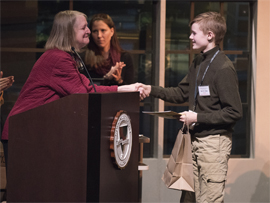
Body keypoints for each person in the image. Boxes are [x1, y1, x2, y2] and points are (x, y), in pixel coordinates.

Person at [1, 10, 141, 176]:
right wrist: (123, 89)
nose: (89, 31)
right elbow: (83, 93)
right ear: (68, 32)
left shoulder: (64, 57)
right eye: (84, 28)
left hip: (33, 133)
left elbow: (88, 87)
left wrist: (125, 88)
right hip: (25, 133)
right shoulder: (58, 59)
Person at [139, 12, 242, 203]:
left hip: (214, 144)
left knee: (208, 200)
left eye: (194, 33)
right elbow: (181, 93)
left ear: (210, 35)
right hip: (193, 141)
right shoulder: (198, 62)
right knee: (188, 199)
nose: (190, 37)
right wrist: (150, 89)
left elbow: (234, 112)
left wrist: (197, 118)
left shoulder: (223, 67)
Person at [83, 13, 134, 85]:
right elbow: (84, 88)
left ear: (112, 31)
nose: (99, 35)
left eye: (103, 30)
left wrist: (119, 81)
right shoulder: (85, 58)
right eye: (95, 31)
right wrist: (107, 77)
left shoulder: (125, 58)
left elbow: (130, 90)